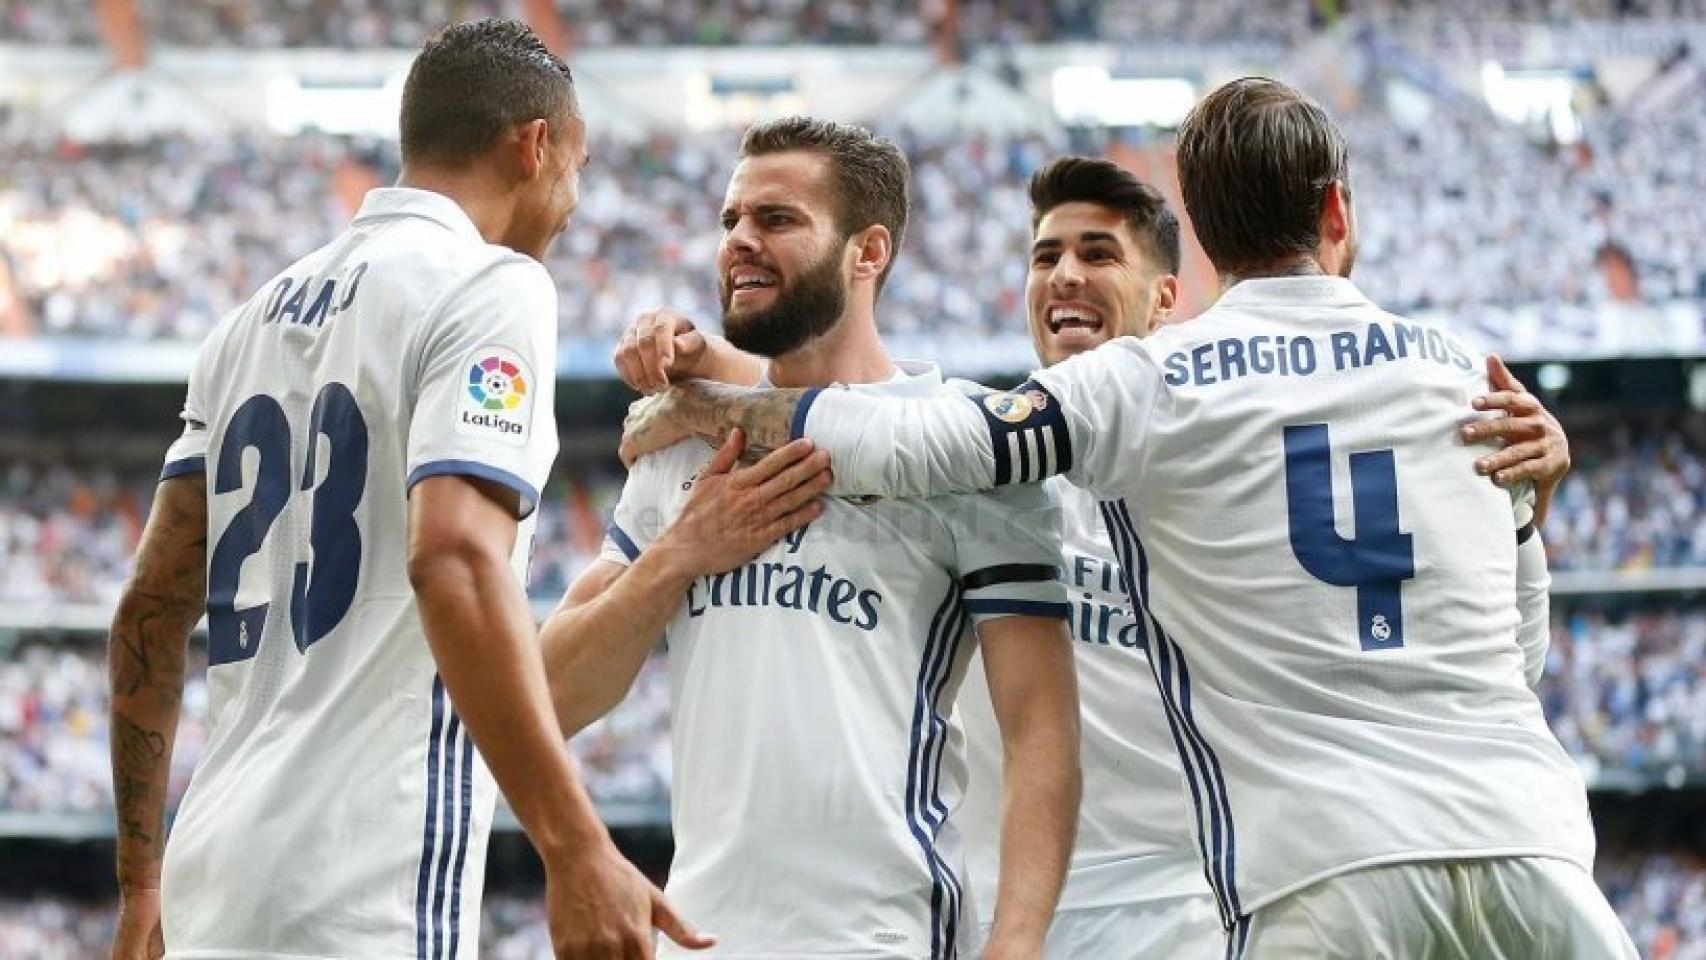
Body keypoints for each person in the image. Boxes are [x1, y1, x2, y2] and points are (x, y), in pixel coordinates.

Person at [620, 79, 1635, 958]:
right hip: (1506, 841)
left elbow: (914, 438)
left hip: (1241, 894)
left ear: (1175, 280)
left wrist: (718, 395)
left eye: (1096, 254)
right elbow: (1516, 654)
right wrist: (1516, 521)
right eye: (1042, 255)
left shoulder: (1148, 393)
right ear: (1335, 212)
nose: (1062, 276)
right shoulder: (1455, 371)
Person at [107, 19, 709, 960]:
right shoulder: (490, 284)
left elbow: (147, 612)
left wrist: (143, 882)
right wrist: (575, 844)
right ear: (535, 145)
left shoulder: (243, 324)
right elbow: (456, 560)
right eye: (577, 169)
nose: (575, 202)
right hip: (361, 886)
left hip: (208, 879)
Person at [540, 117, 1083, 959]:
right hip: (702, 937)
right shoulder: (681, 441)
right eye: (730, 221)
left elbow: (1041, 731)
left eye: (777, 220)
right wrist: (680, 555)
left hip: (883, 938)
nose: (739, 244)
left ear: (868, 252)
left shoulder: (965, 450)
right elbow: (550, 696)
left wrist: (1014, 947)